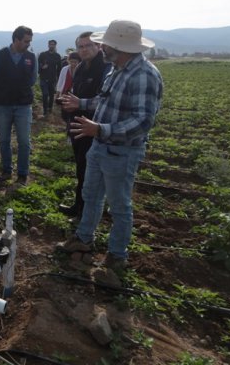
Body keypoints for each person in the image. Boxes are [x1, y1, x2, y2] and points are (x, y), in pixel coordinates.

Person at [58, 20, 163, 271]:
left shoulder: (144, 75)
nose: (102, 46)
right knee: (91, 195)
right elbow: (104, 102)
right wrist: (81, 104)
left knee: (119, 206)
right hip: (100, 145)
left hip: (122, 151)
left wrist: (101, 129)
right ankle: (84, 239)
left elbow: (143, 122)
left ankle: (117, 256)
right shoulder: (116, 68)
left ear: (120, 46)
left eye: (106, 43)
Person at [59, 34, 108, 217]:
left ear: (98, 46)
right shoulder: (79, 67)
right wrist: (67, 102)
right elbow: (75, 94)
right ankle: (79, 206)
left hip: (95, 127)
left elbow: (105, 101)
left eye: (88, 45)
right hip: (79, 126)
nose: (84, 49)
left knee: (93, 170)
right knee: (81, 167)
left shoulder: (105, 68)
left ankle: (90, 211)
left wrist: (80, 103)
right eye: (80, 46)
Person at [0, 26, 37, 184]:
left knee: (24, 141)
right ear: (16, 40)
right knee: (4, 140)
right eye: (25, 41)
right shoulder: (0, 55)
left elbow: (32, 80)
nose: (28, 44)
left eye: (29, 41)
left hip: (23, 105)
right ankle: (6, 170)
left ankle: (22, 173)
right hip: (3, 104)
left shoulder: (31, 57)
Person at [38, 39, 62, 118]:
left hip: (52, 79)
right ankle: (45, 111)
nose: (52, 46)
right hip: (43, 78)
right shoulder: (43, 55)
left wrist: (59, 79)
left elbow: (59, 69)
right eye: (50, 44)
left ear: (55, 46)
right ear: (48, 45)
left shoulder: (57, 56)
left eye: (53, 44)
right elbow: (38, 67)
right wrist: (42, 67)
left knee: (51, 95)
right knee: (45, 94)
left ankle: (50, 108)